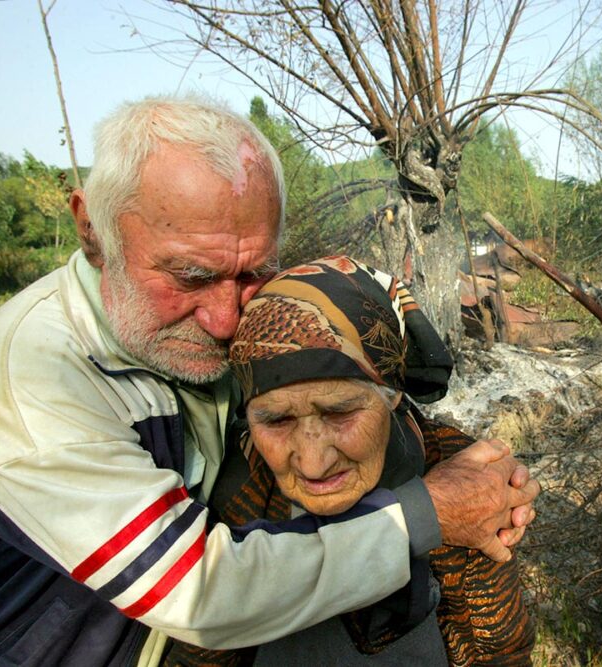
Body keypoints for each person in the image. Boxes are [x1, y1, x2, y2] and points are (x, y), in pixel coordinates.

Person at [0, 95, 538, 666]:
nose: (227, 319)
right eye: (191, 276)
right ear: (92, 231)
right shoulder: (28, 377)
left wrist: (387, 313)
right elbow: (205, 596)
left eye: (254, 271)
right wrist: (429, 514)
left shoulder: (173, 330)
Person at [163, 256, 535, 665]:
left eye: (339, 413)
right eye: (276, 419)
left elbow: (497, 651)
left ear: (392, 393)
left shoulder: (461, 477)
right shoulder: (236, 484)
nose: (312, 463)